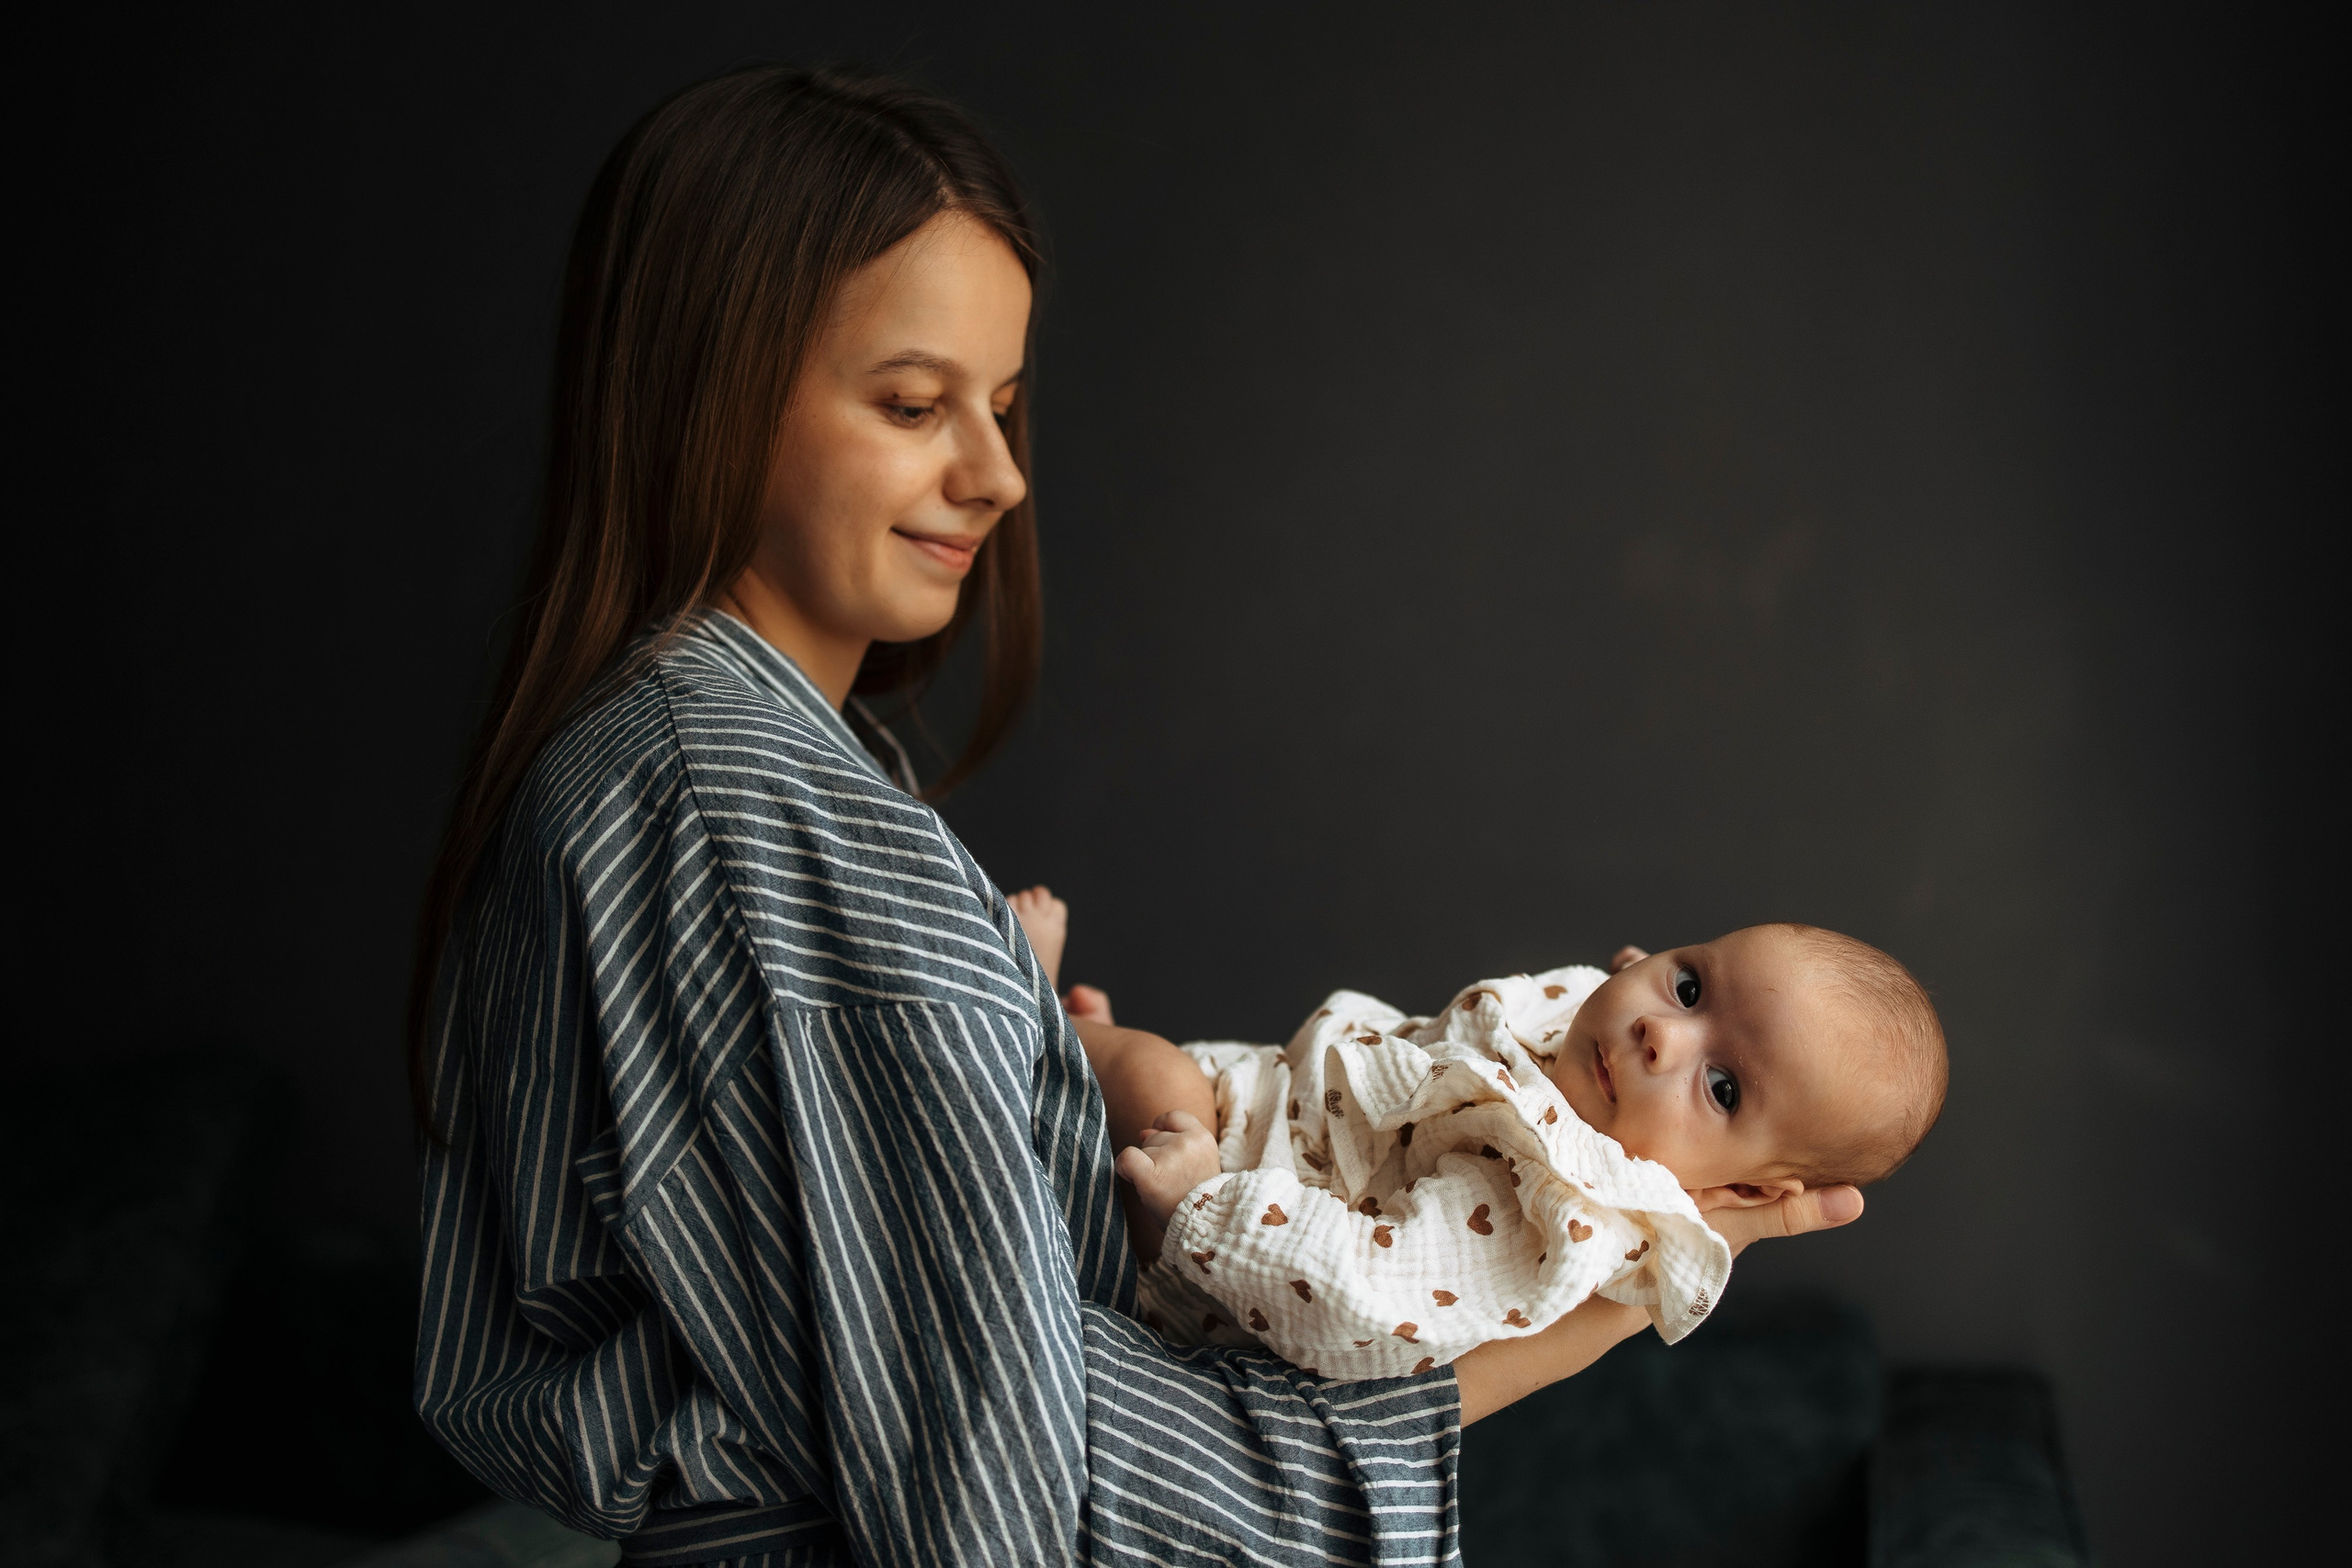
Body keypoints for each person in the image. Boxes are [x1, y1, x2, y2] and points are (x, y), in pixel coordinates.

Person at [408, 62, 1864, 1564]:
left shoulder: (700, 773)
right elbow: (1016, 1517)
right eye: (914, 404)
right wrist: (1608, 1292)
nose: (995, 476)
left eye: (1006, 403)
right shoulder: (745, 816)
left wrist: (1039, 1065)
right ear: (703, 388)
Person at [1032, 919, 1942, 1380]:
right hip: (1270, 1099)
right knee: (1154, 1081)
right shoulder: (1604, 1034)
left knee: (1151, 1084)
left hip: (1239, 1250)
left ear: (1742, 1186)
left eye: (1725, 1088)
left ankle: (1025, 1012)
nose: (1663, 1035)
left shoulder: (1557, 1214)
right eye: (1692, 983)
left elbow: (1372, 1297)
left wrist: (1206, 1209)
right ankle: (1088, 1063)